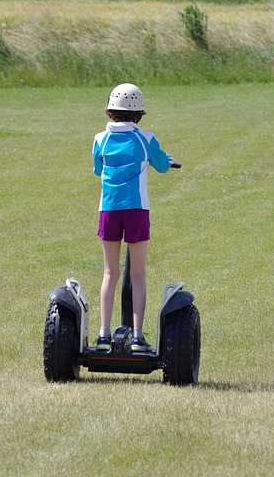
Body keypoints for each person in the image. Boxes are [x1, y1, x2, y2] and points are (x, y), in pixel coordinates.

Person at [92, 83, 175, 352]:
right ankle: (137, 337)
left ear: (110, 110)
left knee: (110, 272)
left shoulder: (99, 139)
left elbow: (98, 169)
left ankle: (103, 335)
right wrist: (167, 159)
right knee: (137, 273)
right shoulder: (146, 138)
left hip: (109, 209)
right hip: (136, 209)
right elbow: (162, 165)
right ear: (138, 112)